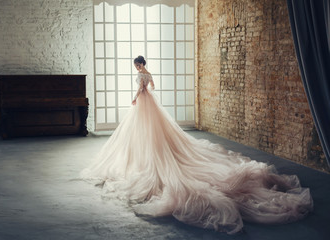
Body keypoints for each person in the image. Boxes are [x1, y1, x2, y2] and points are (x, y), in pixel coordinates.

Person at [80, 56, 313, 234]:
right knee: (153, 130)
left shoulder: (141, 76)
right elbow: (153, 88)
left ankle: (148, 154)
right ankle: (150, 150)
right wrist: (145, 91)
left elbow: (142, 89)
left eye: (137, 65)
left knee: (143, 131)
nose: (137, 68)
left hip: (142, 103)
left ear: (140, 65)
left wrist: (134, 98)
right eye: (137, 66)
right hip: (151, 103)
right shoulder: (149, 73)